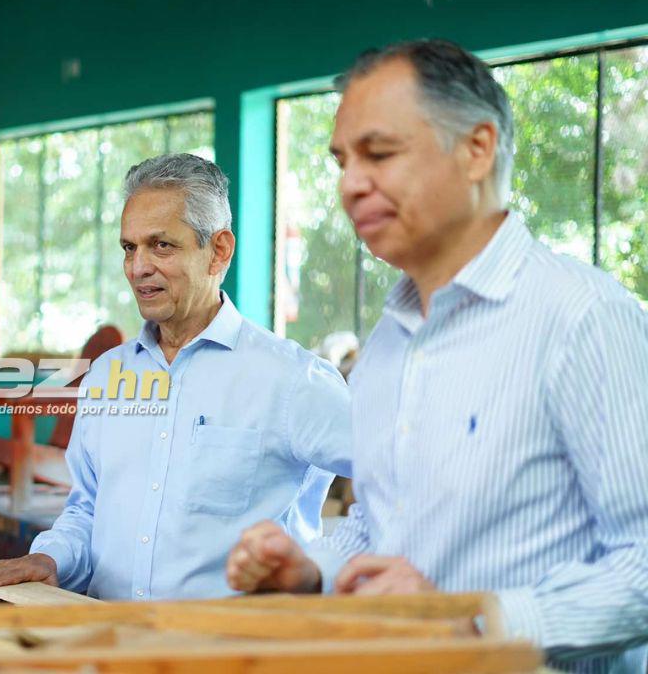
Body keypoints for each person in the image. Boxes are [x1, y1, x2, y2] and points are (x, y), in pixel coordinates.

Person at [225, 39, 648, 672]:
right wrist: (313, 571)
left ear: (476, 149)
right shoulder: (390, 343)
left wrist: (476, 622)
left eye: (380, 153)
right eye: (342, 160)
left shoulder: (582, 318)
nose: (350, 185)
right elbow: (382, 529)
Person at [0, 153, 352, 601]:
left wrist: (322, 568)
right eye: (129, 247)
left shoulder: (292, 380)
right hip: (110, 649)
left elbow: (404, 492)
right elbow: (88, 510)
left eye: (161, 245)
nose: (137, 267)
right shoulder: (107, 376)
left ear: (219, 250)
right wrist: (50, 558)